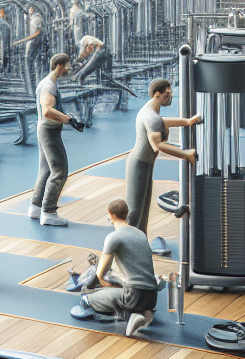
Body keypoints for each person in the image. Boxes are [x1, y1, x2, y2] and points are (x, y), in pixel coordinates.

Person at [71, 199, 161, 338]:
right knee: (120, 292)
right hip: (152, 296)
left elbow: (101, 273)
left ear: (110, 215)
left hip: (132, 296)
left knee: (88, 299)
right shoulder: (140, 234)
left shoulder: (113, 237)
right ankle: (144, 312)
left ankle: (133, 314)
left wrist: (103, 283)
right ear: (126, 214)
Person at [126, 78, 201, 233]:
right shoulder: (151, 116)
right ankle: (130, 245)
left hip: (144, 163)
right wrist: (185, 154)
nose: (171, 96)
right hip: (139, 164)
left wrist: (187, 122)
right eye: (167, 93)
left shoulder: (152, 111)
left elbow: (162, 122)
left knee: (143, 207)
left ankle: (139, 241)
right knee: (135, 210)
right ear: (157, 94)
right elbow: (158, 145)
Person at [28, 53, 85, 228]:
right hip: (49, 133)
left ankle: (36, 207)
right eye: (67, 65)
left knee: (46, 170)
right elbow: (47, 110)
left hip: (46, 130)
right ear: (59, 65)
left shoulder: (49, 83)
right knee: (60, 170)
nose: (68, 69)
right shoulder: (48, 86)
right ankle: (49, 212)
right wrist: (68, 119)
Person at [13, 4, 44, 95]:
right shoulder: (34, 18)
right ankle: (31, 90)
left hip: (34, 44)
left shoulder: (36, 19)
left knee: (29, 66)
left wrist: (21, 41)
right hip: (33, 44)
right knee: (30, 67)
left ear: (32, 9)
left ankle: (32, 91)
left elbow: (37, 33)